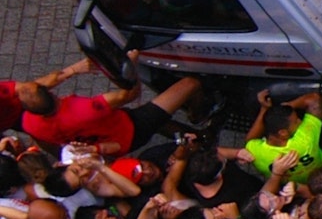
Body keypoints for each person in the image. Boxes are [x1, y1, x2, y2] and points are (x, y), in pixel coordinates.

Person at [17, 65, 200, 158]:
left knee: (159, 121)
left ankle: (194, 136)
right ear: (50, 92)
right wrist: (131, 66)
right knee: (190, 83)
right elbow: (129, 95)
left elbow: (47, 144)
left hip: (111, 145)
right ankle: (201, 119)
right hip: (132, 129)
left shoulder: (28, 123)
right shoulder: (85, 109)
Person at [240, 88, 322, 184]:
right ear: (283, 133)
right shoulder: (305, 140)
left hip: (294, 187)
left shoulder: (255, 153)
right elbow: (315, 99)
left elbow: (250, 140)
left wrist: (264, 109)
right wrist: (289, 105)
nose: (300, 121)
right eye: (296, 121)